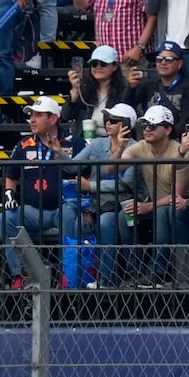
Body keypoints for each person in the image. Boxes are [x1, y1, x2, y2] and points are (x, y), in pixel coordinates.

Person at [1, 96, 81, 289]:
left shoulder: (74, 142)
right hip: (32, 211)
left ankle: (67, 275)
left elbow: (84, 174)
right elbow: (10, 176)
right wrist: (9, 194)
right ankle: (21, 274)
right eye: (31, 116)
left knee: (69, 214)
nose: (32, 120)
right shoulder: (23, 145)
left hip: (63, 208)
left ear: (53, 119)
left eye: (38, 115)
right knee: (6, 218)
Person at [63, 102, 137, 289]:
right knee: (78, 222)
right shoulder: (98, 143)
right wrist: (57, 151)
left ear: (127, 124)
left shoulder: (136, 147)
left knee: (105, 222)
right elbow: (72, 166)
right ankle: (77, 277)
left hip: (123, 203)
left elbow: (124, 185)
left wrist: (90, 186)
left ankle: (107, 278)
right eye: (106, 119)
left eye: (114, 120)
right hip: (98, 203)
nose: (108, 123)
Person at [120, 103, 189, 285]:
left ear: (167, 129)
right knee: (123, 215)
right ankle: (136, 271)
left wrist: (148, 206)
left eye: (152, 125)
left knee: (163, 211)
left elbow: (177, 195)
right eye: (144, 125)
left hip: (178, 207)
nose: (147, 129)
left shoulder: (180, 152)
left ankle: (157, 272)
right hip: (156, 205)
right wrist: (120, 148)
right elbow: (119, 166)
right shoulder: (141, 147)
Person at [73, 0, 155, 81]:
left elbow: (152, 17)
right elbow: (81, 6)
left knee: (131, 92)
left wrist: (139, 47)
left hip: (130, 59)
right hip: (104, 61)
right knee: (107, 94)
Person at [129, 42, 189, 138]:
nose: (163, 63)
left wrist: (162, 139)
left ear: (180, 64)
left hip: (175, 141)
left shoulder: (186, 87)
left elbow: (185, 121)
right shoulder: (148, 85)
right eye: (159, 59)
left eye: (169, 60)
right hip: (148, 138)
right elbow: (127, 108)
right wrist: (131, 88)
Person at [65, 45, 130, 132]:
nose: (98, 67)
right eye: (94, 64)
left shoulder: (124, 91)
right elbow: (66, 116)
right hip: (85, 141)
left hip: (113, 141)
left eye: (103, 64)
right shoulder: (83, 89)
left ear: (115, 66)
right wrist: (75, 90)